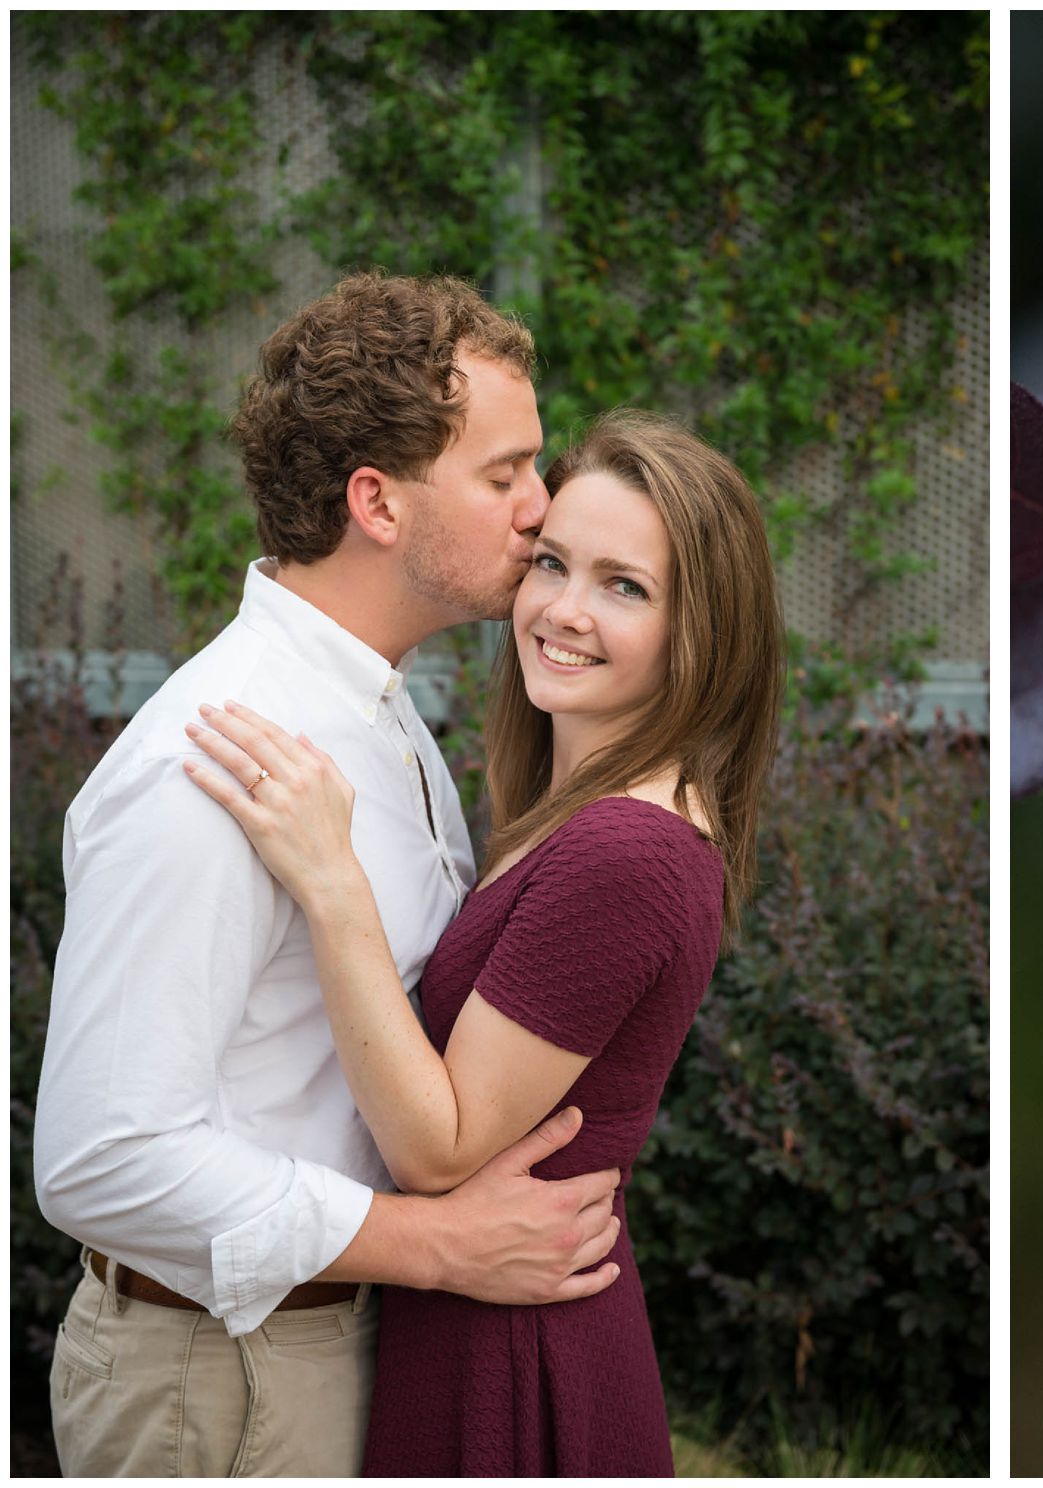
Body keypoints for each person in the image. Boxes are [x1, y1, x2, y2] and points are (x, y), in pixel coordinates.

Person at [33, 273, 627, 1477]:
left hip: (320, 1347)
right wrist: (438, 1246)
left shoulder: (379, 712)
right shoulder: (215, 761)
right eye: (503, 473)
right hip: (217, 1382)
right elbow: (102, 1159)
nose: (542, 504)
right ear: (378, 502)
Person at [179, 409, 787, 1474]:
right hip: (480, 1310)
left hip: (516, 1350)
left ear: (703, 630)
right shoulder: (575, 813)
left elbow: (439, 1146)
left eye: (624, 586)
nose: (561, 610)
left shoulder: (627, 853)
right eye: (552, 563)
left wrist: (332, 886)